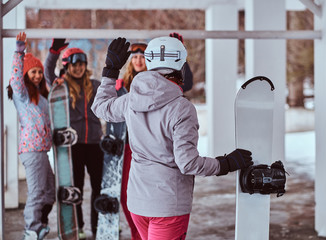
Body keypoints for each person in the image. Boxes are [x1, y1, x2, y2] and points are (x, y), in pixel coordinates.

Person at [91, 36, 254, 240]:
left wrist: (110, 71)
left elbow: (100, 108)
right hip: (167, 206)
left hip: (137, 204)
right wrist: (225, 164)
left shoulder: (131, 100)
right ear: (180, 67)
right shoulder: (182, 108)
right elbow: (187, 164)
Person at [44, 39, 104, 239]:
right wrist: (54, 52)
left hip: (95, 143)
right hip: (74, 145)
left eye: (81, 65)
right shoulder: (62, 86)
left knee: (99, 187)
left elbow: (111, 90)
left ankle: (98, 226)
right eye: (74, 65)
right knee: (75, 187)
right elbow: (47, 74)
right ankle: (78, 225)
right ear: (67, 67)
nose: (78, 69)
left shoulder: (95, 86)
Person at [7, 32, 55, 240]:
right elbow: (15, 80)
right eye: (33, 72)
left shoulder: (41, 98)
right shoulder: (23, 96)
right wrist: (19, 52)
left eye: (39, 72)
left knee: (51, 192)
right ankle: (31, 229)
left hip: (42, 151)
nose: (37, 75)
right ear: (26, 74)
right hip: (31, 150)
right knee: (36, 193)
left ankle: (40, 223)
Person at [110, 42, 148, 240]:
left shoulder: (156, 81)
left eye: (142, 56)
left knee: (148, 193)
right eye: (135, 57)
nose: (138, 60)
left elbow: (187, 84)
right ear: (130, 61)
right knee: (126, 195)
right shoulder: (122, 86)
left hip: (148, 145)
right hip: (126, 146)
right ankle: (138, 234)